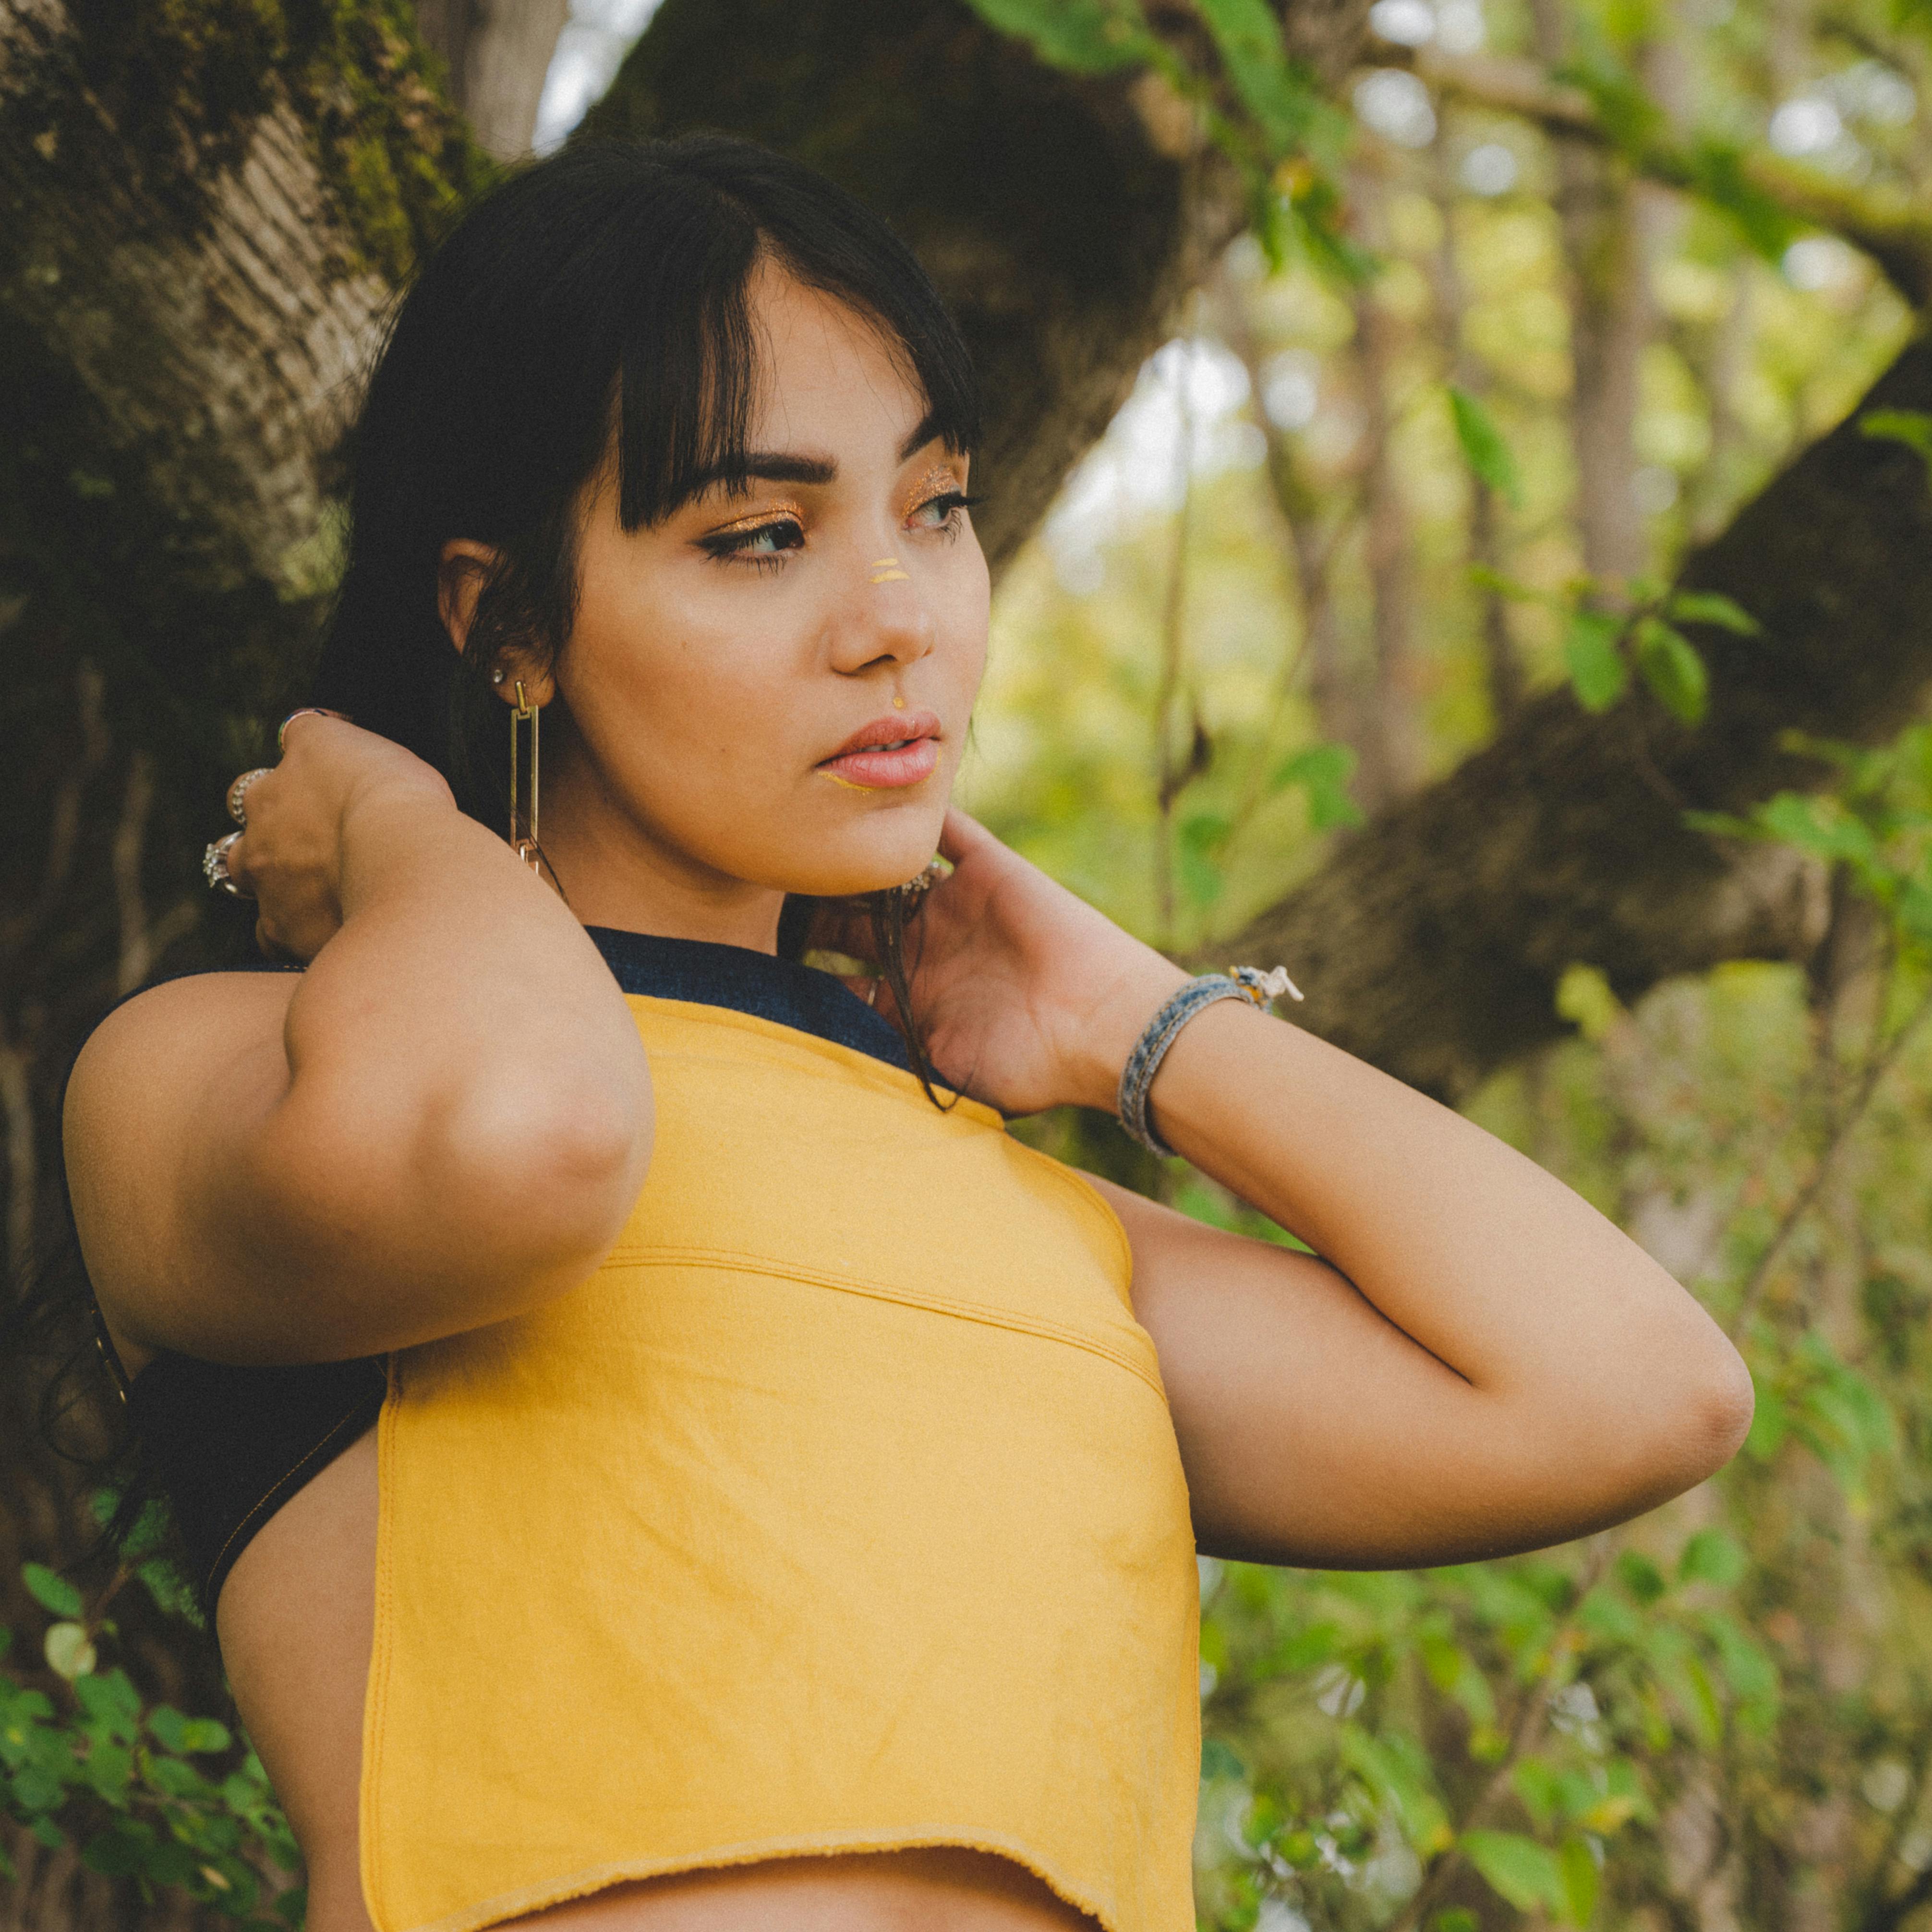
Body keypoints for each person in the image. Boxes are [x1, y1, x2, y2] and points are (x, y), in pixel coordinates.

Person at [61, 135, 1753, 1932]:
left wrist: (1125, 1020)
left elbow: (1636, 1392)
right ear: (510, 624)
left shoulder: (1032, 1221)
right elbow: (521, 1138)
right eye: (762, 535)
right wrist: (397, 828)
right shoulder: (226, 1064)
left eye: (935, 506)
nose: (900, 622)